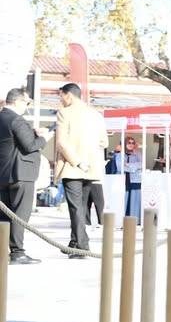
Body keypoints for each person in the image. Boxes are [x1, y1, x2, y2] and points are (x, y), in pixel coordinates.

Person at [55, 83, 109, 257]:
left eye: (61, 96)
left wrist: (77, 161)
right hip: (90, 167)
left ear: (68, 95)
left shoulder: (64, 113)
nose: (61, 100)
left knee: (76, 207)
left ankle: (82, 246)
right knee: (81, 206)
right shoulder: (95, 115)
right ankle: (75, 241)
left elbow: (62, 143)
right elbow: (104, 142)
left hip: (73, 166)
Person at [0, 88, 48, 264]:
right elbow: (29, 146)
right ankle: (17, 252)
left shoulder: (2, 117)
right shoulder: (17, 120)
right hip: (21, 174)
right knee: (20, 214)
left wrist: (33, 133)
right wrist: (45, 138)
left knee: (3, 216)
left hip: (3, 174)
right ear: (18, 101)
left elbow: (13, 140)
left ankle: (2, 250)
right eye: (26, 103)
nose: (27, 106)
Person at [115, 136, 144, 222]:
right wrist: (134, 167)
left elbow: (142, 164)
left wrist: (129, 165)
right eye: (129, 143)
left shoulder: (138, 154)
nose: (131, 145)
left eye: (133, 143)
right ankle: (122, 220)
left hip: (135, 180)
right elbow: (120, 167)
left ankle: (134, 221)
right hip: (123, 180)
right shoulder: (120, 155)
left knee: (134, 200)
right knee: (123, 200)